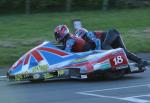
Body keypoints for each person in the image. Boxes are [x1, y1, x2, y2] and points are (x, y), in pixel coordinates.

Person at [75, 28, 150, 68]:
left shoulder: (89, 34)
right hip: (112, 40)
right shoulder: (88, 42)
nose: (81, 41)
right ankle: (141, 61)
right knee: (123, 51)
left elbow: (97, 42)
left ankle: (115, 55)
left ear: (82, 34)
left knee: (105, 46)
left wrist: (97, 53)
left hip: (112, 32)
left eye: (80, 38)